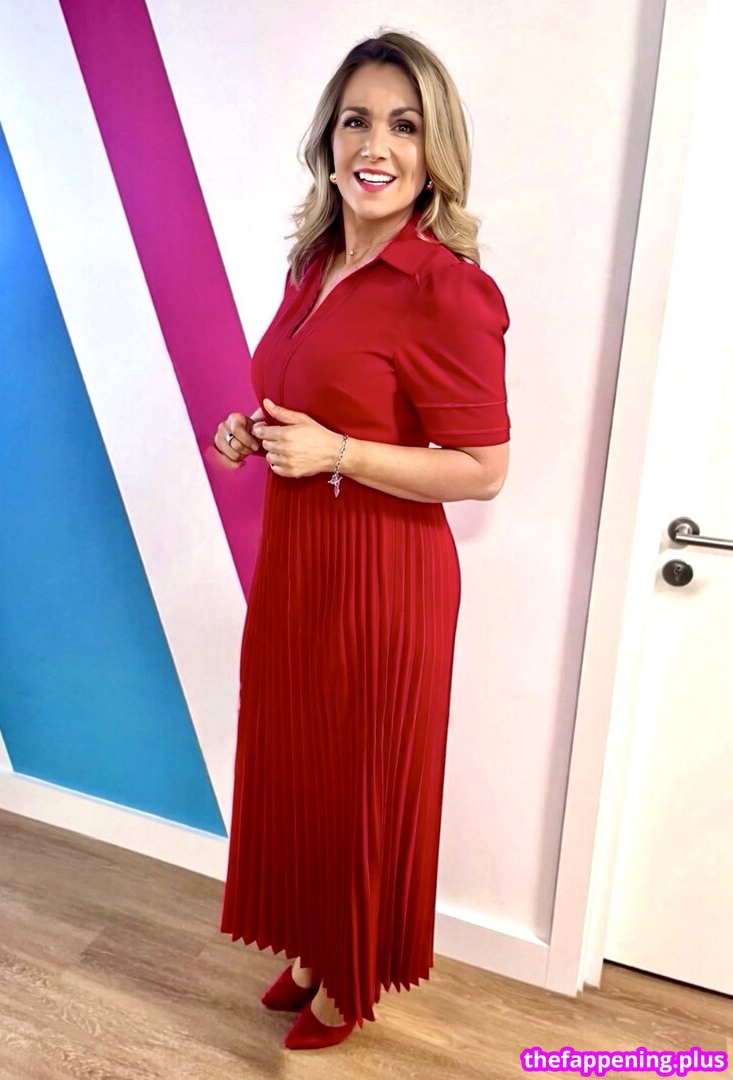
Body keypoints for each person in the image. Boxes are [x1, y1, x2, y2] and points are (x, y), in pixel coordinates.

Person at [214, 29, 511, 1051]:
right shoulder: (316, 263)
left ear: (435, 151)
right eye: (356, 121)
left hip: (384, 576)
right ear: (328, 140)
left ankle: (349, 972)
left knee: (361, 783)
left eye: (404, 125)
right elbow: (303, 397)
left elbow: (484, 468)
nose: (375, 146)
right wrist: (250, 432)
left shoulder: (447, 288)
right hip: (299, 566)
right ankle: (310, 943)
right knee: (301, 768)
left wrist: (337, 451)